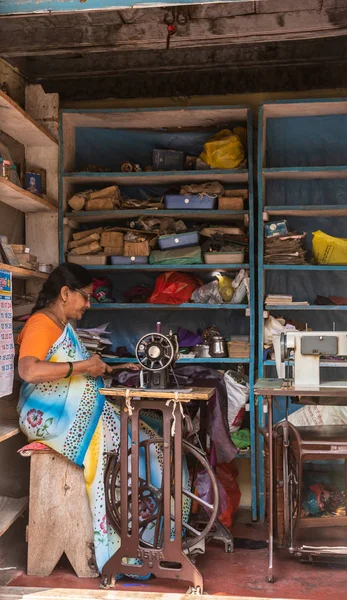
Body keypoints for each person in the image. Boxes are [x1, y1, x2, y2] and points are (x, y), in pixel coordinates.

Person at [17, 263, 170, 578]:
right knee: (114, 445)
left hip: (71, 410)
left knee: (145, 436)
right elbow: (30, 371)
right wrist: (83, 368)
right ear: (64, 293)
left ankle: (147, 538)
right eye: (85, 297)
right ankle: (121, 549)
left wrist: (104, 369)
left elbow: (75, 368)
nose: (89, 304)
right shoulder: (41, 325)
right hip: (47, 415)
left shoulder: (61, 325)